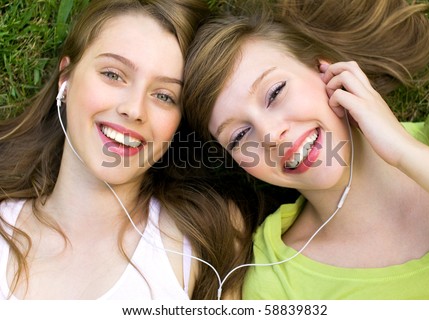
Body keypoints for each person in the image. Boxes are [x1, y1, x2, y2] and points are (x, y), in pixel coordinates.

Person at [182, 0, 429, 299]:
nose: (271, 135)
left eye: (275, 92)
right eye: (240, 135)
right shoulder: (279, 282)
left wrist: (405, 152)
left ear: (327, 71)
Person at [0, 0, 256, 300]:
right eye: (113, 74)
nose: (134, 109)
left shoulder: (206, 237)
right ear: (65, 79)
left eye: (164, 95)